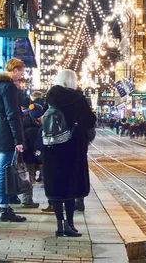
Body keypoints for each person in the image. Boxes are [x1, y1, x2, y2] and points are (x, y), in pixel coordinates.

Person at [42, 69, 96, 237]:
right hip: (73, 148)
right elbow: (89, 121)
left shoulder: (49, 98)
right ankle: (70, 225)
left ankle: (60, 224)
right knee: (71, 187)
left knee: (57, 187)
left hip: (52, 149)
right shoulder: (78, 98)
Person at [0, 58, 27, 222]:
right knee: (3, 171)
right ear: (15, 70)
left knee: (0, 172)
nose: (21, 77)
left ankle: (0, 207)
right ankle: (4, 208)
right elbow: (12, 115)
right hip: (7, 135)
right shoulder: (8, 87)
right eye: (21, 73)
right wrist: (19, 139)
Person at [20, 103, 44, 208]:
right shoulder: (34, 128)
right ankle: (27, 200)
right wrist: (39, 160)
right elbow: (35, 146)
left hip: (23, 156)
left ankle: (25, 199)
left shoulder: (23, 123)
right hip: (29, 157)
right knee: (28, 178)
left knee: (26, 178)